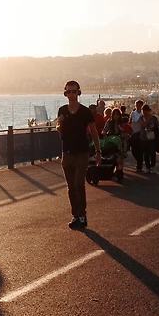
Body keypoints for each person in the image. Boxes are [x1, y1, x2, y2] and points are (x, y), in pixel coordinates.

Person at [56, 81, 101, 230]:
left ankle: (82, 215)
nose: (71, 94)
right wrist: (59, 126)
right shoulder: (62, 110)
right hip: (67, 153)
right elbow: (60, 128)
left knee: (78, 184)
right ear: (65, 93)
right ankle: (75, 215)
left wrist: (98, 151)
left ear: (78, 92)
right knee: (70, 187)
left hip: (82, 153)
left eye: (74, 91)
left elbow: (93, 131)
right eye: (68, 92)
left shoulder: (85, 111)